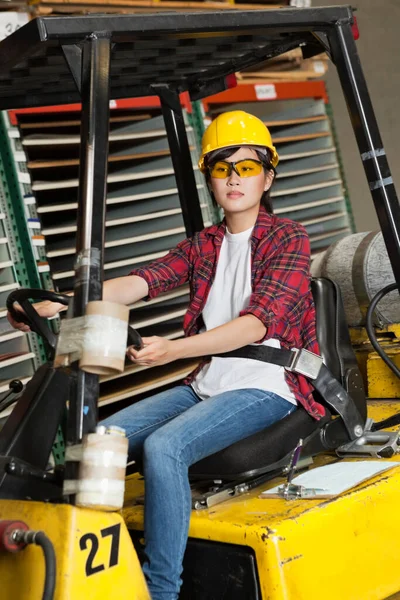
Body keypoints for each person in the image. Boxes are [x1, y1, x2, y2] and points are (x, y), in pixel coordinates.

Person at [8, 110, 325, 600]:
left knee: (165, 448)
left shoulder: (288, 237)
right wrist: (63, 300)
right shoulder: (205, 245)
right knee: (94, 443)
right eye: (222, 168)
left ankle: (160, 591)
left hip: (268, 385)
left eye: (247, 166)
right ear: (210, 180)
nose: (235, 178)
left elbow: (255, 325)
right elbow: (144, 281)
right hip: (208, 382)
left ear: (268, 176)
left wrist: (173, 350)